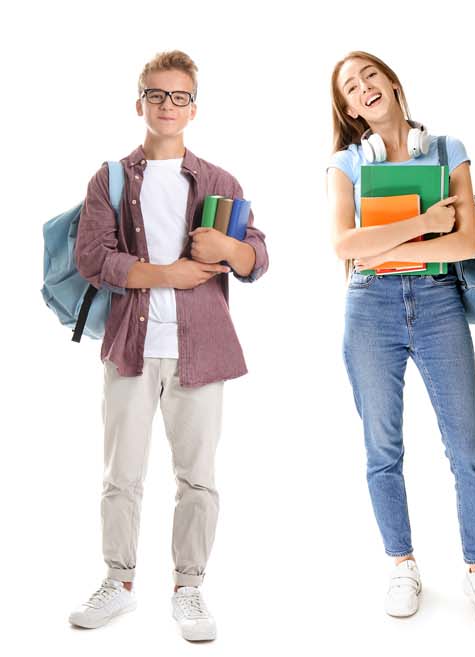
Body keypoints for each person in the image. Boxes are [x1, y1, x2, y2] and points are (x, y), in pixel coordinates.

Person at [68, 50, 270, 642]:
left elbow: (258, 255)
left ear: (193, 108)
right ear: (139, 102)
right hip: (131, 344)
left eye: (178, 96)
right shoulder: (109, 178)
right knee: (121, 474)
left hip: (200, 348)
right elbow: (91, 257)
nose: (166, 105)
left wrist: (229, 253)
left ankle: (188, 588)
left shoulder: (219, 182)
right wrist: (169, 273)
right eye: (156, 94)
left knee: (197, 476)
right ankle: (119, 583)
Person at [326, 51, 475, 627]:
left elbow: (467, 245)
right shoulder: (347, 163)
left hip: (438, 304)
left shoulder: (449, 150)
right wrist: (423, 225)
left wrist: (381, 244)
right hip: (369, 310)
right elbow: (343, 247)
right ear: (350, 110)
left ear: (391, 81)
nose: (363, 88)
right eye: (351, 88)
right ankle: (402, 564)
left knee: (468, 448)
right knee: (383, 450)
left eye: (369, 75)